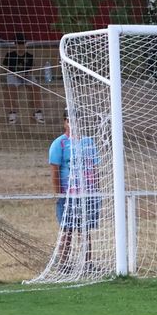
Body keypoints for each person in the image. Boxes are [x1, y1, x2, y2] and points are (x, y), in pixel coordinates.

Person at [47, 114, 100, 271]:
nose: (73, 123)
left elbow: (94, 167)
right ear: (65, 123)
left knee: (85, 229)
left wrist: (96, 189)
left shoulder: (88, 142)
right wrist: (59, 193)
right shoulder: (59, 144)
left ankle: (87, 263)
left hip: (87, 193)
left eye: (76, 120)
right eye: (69, 120)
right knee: (67, 229)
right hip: (68, 195)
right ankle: (63, 264)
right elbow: (55, 170)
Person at [3, 34, 42, 126]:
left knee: (36, 87)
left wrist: (25, 75)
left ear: (25, 44)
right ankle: (12, 114)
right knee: (11, 88)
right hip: (13, 74)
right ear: (15, 44)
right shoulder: (10, 55)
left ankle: (37, 112)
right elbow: (5, 68)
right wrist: (15, 74)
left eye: (22, 44)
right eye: (18, 44)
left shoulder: (29, 56)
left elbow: (30, 69)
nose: (20, 46)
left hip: (26, 75)